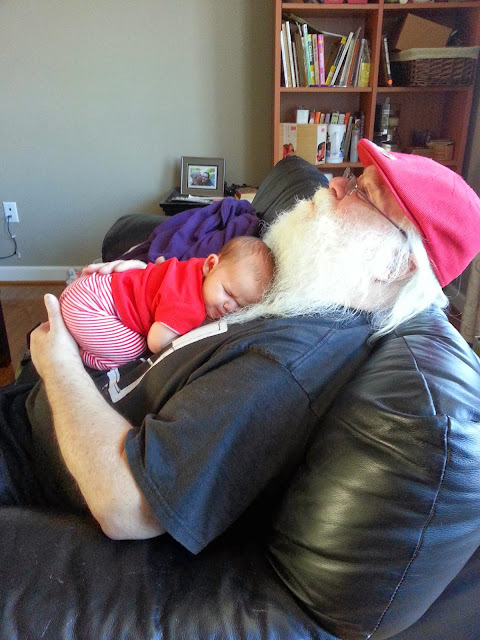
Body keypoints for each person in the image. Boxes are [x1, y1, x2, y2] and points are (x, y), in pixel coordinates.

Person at [2, 139, 480, 557]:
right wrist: (135, 277)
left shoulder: (287, 363)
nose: (335, 183)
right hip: (44, 405)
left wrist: (59, 363)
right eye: (353, 178)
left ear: (398, 266)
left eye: (364, 193)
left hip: (30, 461)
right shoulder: (302, 289)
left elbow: (125, 505)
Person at [59, 236, 274, 370]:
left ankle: (78, 332)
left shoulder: (197, 267)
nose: (229, 307)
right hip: (94, 307)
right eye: (228, 293)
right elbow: (156, 342)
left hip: (91, 289)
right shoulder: (190, 306)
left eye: (241, 306)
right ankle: (79, 352)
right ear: (210, 265)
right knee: (134, 348)